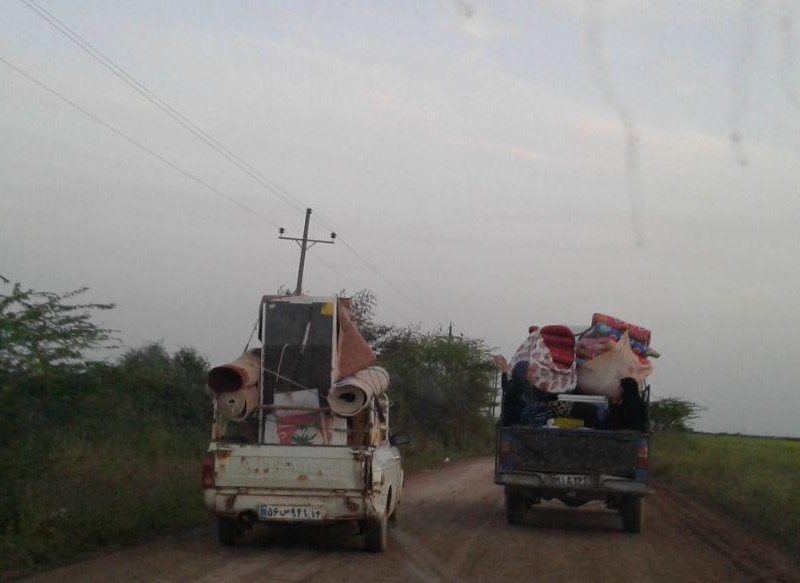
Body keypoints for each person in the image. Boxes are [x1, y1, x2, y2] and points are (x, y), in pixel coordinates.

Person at [494, 356, 555, 426]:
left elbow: (546, 403)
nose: (532, 373)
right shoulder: (515, 385)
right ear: (522, 372)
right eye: (529, 370)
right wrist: (504, 369)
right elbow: (506, 387)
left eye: (532, 370)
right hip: (514, 427)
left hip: (533, 427)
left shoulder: (535, 389)